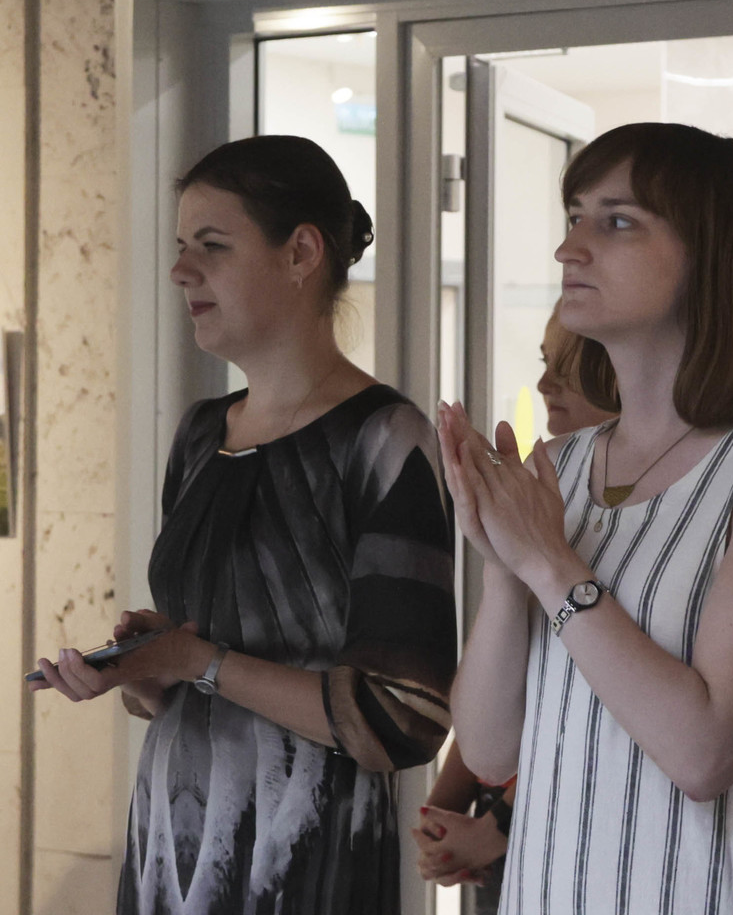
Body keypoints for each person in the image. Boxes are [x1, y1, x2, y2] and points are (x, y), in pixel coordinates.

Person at [28, 135, 456, 914]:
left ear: (301, 253)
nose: (180, 270)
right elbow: (198, 677)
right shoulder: (201, 433)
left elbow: (404, 718)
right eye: (180, 246)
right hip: (173, 843)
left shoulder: (385, 439)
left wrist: (197, 658)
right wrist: (148, 668)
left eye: (212, 246)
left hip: (309, 860)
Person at [439, 122, 733, 914]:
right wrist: (504, 563)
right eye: (575, 217)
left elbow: (706, 754)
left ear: (713, 255)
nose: (569, 249)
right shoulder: (559, 465)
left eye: (618, 221)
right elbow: (488, 751)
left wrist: (549, 563)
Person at [412, 301, 614, 906]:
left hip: (577, 833)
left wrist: (494, 827)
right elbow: (509, 685)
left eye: (568, 368)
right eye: (545, 363)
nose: (545, 385)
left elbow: (601, 712)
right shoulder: (549, 486)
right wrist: (446, 804)